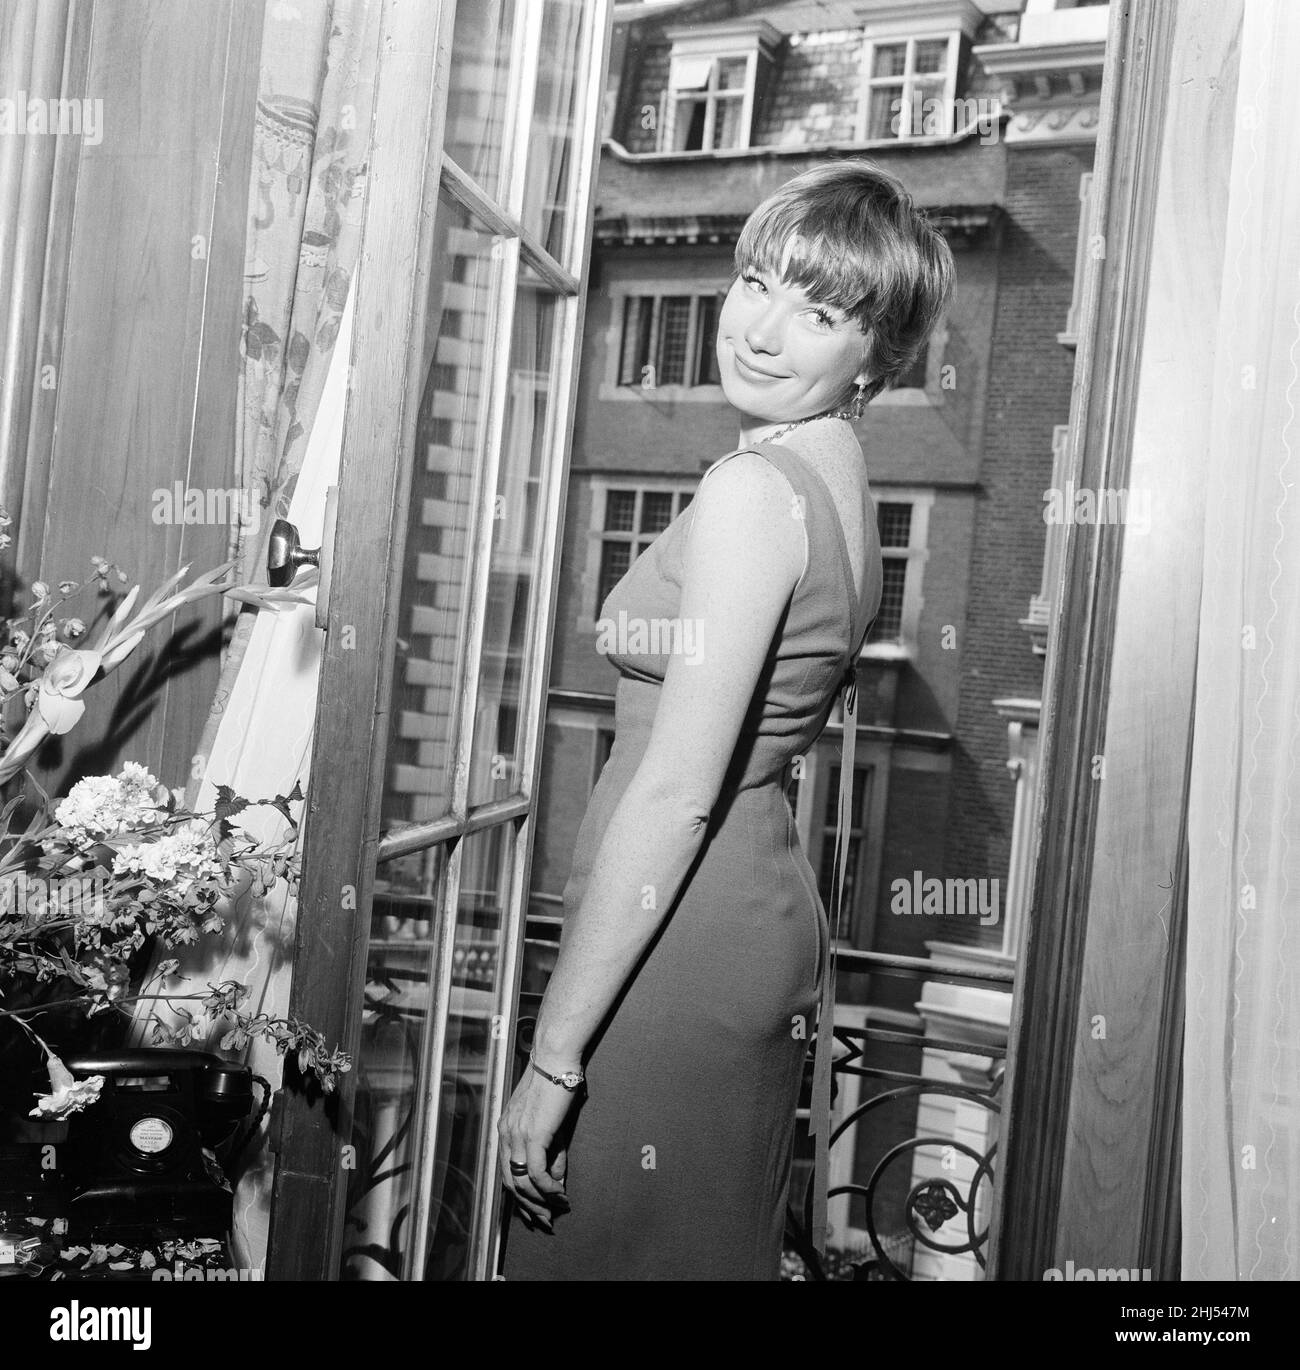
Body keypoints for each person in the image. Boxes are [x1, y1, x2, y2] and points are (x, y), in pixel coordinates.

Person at [498, 159, 954, 1281]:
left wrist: (555, 1055)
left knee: (597, 1248)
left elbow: (678, 784)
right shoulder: (836, 472)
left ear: (877, 354)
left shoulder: (753, 491)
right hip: (740, 904)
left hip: (678, 924)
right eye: (757, 282)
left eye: (820, 312)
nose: (761, 329)